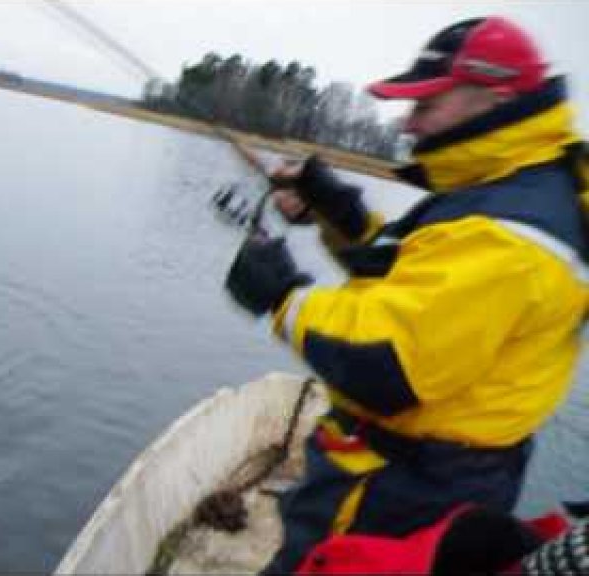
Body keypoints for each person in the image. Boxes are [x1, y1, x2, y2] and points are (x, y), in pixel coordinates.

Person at [223, 16, 589, 574]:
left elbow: (383, 359)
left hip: (404, 489)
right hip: (436, 475)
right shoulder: (514, 186)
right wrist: (339, 211)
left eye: (426, 105)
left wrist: (281, 295)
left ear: (490, 100)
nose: (408, 123)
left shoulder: (511, 236)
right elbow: (418, 279)